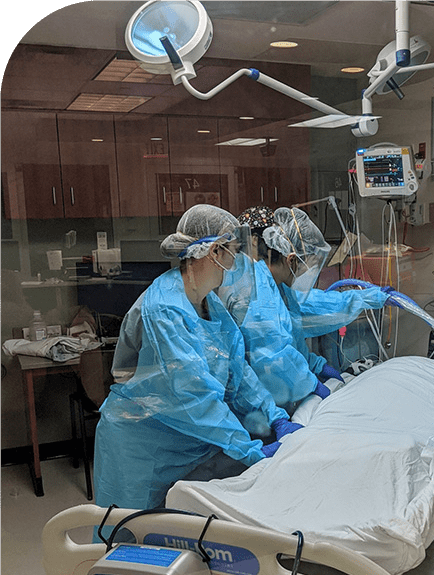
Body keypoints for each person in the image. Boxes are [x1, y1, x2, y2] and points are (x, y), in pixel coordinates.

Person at [93, 204, 301, 511]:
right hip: (142, 446)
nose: (238, 259)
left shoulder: (208, 303)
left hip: (185, 440)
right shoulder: (165, 310)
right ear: (214, 252)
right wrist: (250, 450)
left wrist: (274, 417)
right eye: (234, 249)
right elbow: (193, 396)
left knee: (181, 539)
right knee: (132, 539)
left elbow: (237, 370)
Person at [217, 206, 394, 413]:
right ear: (290, 259)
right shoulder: (257, 292)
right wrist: (312, 384)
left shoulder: (276, 285)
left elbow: (297, 325)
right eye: (305, 265)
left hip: (273, 398)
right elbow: (275, 355)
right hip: (254, 407)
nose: (306, 273)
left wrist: (316, 364)